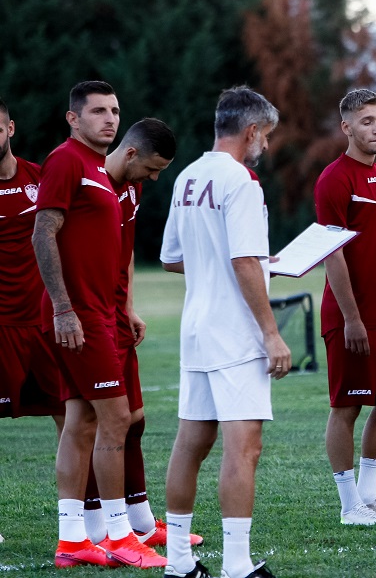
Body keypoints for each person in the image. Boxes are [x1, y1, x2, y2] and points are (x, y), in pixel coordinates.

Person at [33, 81, 167, 569]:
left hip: (97, 315)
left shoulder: (100, 170)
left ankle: (72, 540)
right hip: (78, 318)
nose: (108, 119)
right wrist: (64, 308)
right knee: (115, 419)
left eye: (114, 111)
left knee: (82, 421)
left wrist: (121, 307)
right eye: (97, 112)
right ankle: (117, 534)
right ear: (73, 118)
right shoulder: (66, 161)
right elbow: (42, 231)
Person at [160, 86, 290, 578]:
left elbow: (173, 258)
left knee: (190, 442)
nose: (266, 146)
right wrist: (271, 333)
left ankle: (178, 562)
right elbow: (240, 260)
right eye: (267, 136)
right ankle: (237, 564)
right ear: (252, 131)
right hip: (235, 333)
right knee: (244, 446)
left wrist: (255, 261)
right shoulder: (241, 180)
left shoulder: (187, 175)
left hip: (197, 327)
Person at [78, 118, 204, 549]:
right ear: (131, 154)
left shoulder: (132, 187)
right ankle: (98, 527)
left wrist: (128, 306)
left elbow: (125, 250)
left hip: (115, 315)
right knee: (97, 421)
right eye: (152, 169)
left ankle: (141, 521)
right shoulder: (90, 180)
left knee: (134, 421)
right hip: (86, 316)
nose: (153, 178)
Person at [314, 89, 376, 526]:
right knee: (347, 407)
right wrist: (352, 318)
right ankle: (348, 504)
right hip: (352, 317)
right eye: (367, 121)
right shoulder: (334, 179)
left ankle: (370, 497)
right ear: (347, 127)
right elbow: (331, 253)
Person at [0, 96, 66, 543]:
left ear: (10, 129)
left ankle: (83, 522)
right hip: (0, 328)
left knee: (74, 416)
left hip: (44, 322)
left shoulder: (38, 178)